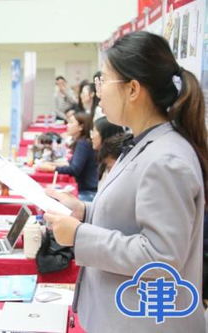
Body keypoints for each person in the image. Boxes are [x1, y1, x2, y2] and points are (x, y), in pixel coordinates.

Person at [44, 31, 207, 332]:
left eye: (103, 81)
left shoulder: (166, 159)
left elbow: (161, 257)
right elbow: (130, 218)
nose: (98, 92)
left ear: (133, 89)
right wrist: (84, 212)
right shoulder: (142, 143)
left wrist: (80, 236)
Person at [39, 112, 98, 201]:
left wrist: (52, 168)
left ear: (81, 127)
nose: (67, 125)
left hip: (88, 193)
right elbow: (71, 163)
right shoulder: (82, 142)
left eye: (71, 122)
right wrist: (50, 163)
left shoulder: (83, 144)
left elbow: (74, 169)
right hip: (88, 190)